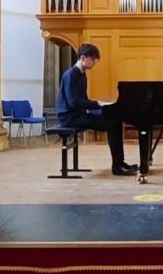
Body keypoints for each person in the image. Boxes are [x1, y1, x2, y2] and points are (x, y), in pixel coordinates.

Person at [57, 43, 139, 176]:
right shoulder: (71, 75)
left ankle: (120, 163)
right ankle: (117, 166)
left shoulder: (82, 75)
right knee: (112, 124)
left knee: (115, 119)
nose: (94, 63)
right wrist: (98, 104)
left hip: (79, 114)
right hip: (70, 118)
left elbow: (82, 100)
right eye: (93, 59)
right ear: (83, 58)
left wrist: (101, 106)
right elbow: (73, 102)